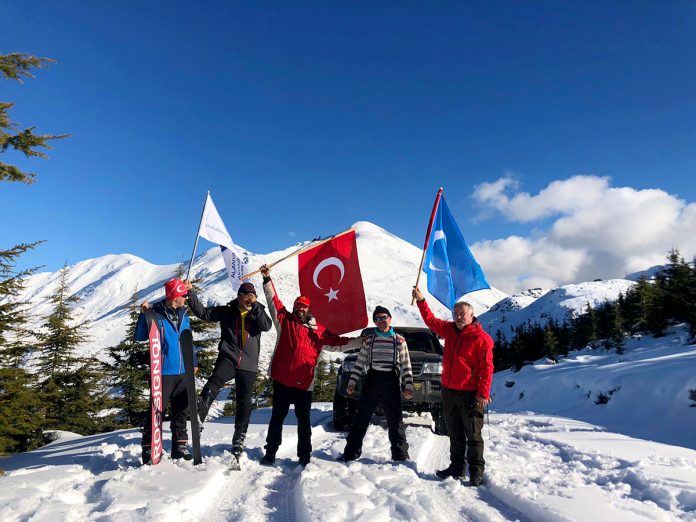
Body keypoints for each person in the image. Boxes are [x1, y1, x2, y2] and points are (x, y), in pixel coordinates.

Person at [259, 264, 359, 467]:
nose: (300, 308)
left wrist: (361, 341)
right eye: (297, 305)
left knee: (304, 421)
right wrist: (267, 280)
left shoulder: (318, 331)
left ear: (308, 309)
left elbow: (339, 344)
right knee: (277, 418)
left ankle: (304, 455)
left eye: (303, 306)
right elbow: (273, 302)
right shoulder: (285, 321)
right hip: (282, 380)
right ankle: (270, 453)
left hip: (304, 384)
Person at [412, 286, 494, 487]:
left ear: (472, 315)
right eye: (456, 314)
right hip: (449, 392)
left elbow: (487, 368)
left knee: (473, 435)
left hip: (470, 395)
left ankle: (476, 472)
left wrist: (483, 393)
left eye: (462, 314)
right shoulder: (449, 330)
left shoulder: (481, 339)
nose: (458, 317)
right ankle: (456, 468)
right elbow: (431, 321)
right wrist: (421, 300)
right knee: (454, 433)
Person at [186, 280, 272, 460]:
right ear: (238, 297)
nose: (247, 299)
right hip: (229, 358)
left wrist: (255, 306)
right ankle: (199, 418)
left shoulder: (257, 313)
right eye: (244, 296)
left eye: (251, 296)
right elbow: (204, 313)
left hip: (248, 365)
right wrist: (190, 294)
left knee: (244, 403)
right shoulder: (227, 311)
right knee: (213, 383)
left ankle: (239, 437)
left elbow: (267, 326)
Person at [338, 305, 414, 463]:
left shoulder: (399, 340)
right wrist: (352, 383)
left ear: (390, 319)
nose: (381, 321)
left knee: (395, 419)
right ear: (375, 322)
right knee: (361, 417)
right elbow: (360, 363)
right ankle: (350, 453)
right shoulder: (369, 340)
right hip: (372, 378)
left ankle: (400, 455)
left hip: (391, 379)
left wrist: (408, 386)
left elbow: (406, 365)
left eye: (384, 317)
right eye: (377, 318)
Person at [134, 277, 195, 464]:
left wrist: (193, 361)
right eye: (183, 295)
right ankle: (148, 447)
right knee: (156, 410)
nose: (185, 299)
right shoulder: (156, 314)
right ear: (174, 296)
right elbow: (140, 336)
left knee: (181, 410)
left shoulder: (184, 314)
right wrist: (144, 316)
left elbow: (188, 340)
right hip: (163, 371)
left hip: (183, 370)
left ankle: (180, 446)